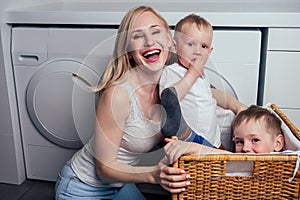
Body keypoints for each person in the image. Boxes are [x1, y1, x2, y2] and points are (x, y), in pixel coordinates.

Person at [55, 6, 203, 199]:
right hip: (82, 186)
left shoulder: (170, 81)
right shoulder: (118, 94)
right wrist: (153, 174)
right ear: (128, 50)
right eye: (137, 36)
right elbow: (103, 167)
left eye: (155, 31)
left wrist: (238, 108)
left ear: (170, 41)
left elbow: (207, 94)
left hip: (120, 185)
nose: (149, 41)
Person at [159, 14, 247, 148]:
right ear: (175, 47)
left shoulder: (203, 75)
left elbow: (207, 96)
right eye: (190, 44)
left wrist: (237, 107)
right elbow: (169, 100)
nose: (198, 52)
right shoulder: (172, 71)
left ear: (210, 52)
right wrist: (192, 73)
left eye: (204, 46)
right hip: (190, 143)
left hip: (213, 141)